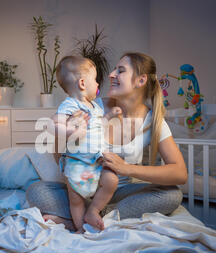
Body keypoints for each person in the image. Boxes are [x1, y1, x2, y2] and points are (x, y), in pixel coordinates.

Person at [27, 52, 188, 231]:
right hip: (86, 184)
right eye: (114, 70)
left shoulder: (153, 121)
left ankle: (86, 218)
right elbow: (60, 154)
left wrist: (127, 168)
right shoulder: (91, 108)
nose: (111, 75)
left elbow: (180, 173)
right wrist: (69, 136)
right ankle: (94, 216)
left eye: (120, 71)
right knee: (37, 191)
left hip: (119, 192)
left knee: (172, 195)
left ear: (140, 81)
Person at [53, 56, 122, 233]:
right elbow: (56, 124)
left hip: (97, 160)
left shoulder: (95, 106)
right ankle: (79, 228)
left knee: (112, 180)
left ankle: (93, 211)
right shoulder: (69, 105)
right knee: (75, 199)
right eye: (95, 79)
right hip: (77, 162)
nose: (98, 83)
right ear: (83, 83)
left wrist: (109, 116)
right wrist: (72, 131)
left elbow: (98, 124)